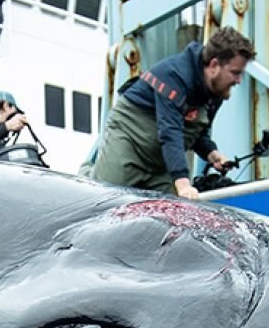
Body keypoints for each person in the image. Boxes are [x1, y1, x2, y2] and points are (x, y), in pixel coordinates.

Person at [90, 27, 255, 199]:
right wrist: (183, 185)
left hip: (161, 160)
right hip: (130, 142)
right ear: (214, 65)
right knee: (104, 198)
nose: (238, 80)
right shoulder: (174, 75)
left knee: (173, 212)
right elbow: (170, 131)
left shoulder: (217, 91)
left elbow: (197, 133)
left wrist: (212, 154)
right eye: (235, 73)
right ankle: (87, 172)